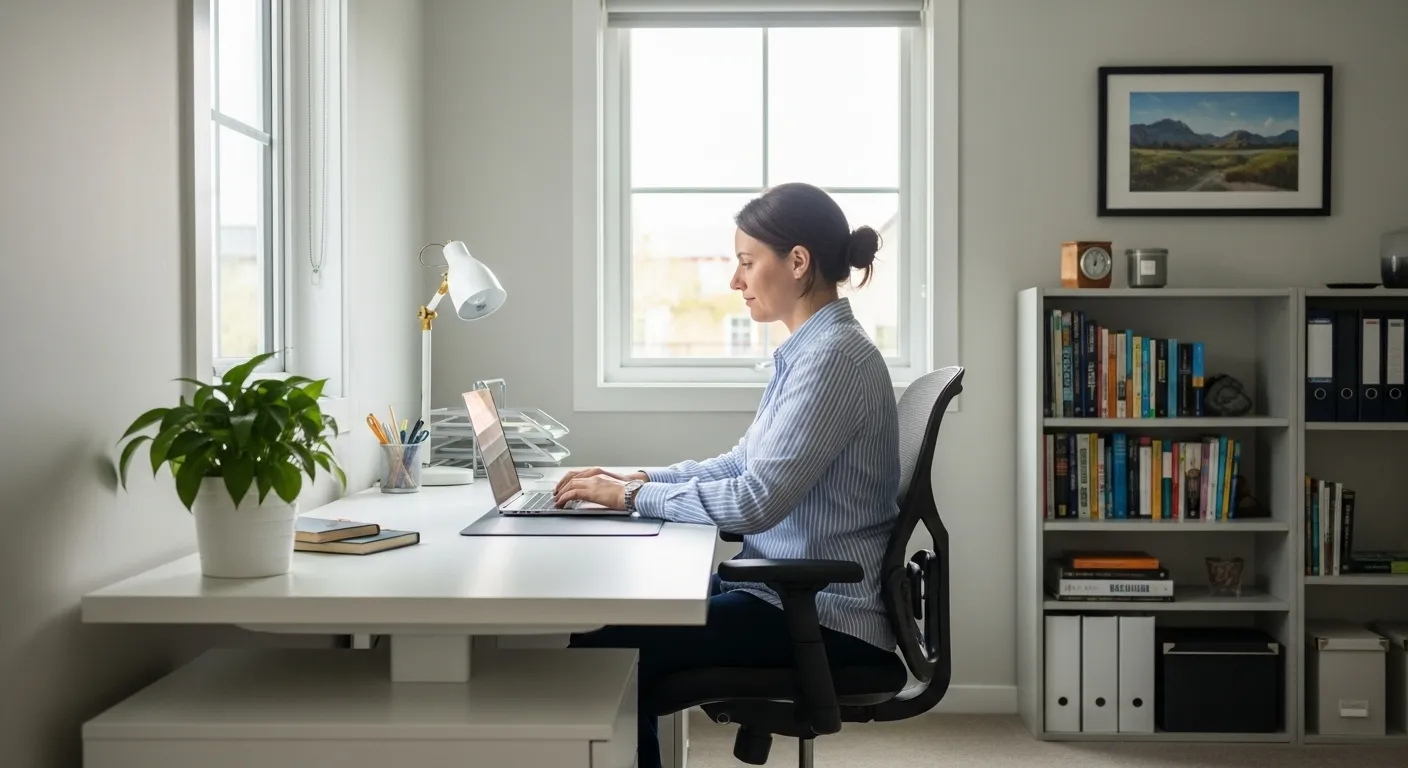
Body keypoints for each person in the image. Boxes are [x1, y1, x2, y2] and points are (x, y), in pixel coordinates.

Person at [553, 182, 904, 768]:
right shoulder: (809, 352)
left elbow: (753, 502)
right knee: (625, 613)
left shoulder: (834, 359)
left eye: (745, 262)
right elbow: (740, 464)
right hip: (780, 593)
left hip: (818, 612)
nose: (734, 281)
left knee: (602, 651)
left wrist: (631, 497)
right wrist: (633, 478)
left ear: (797, 262)